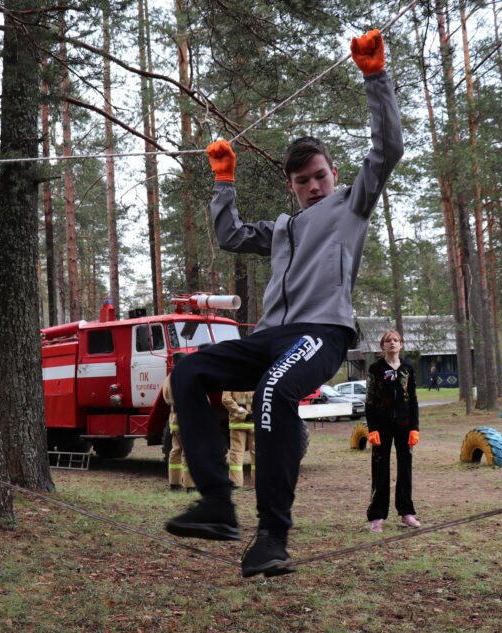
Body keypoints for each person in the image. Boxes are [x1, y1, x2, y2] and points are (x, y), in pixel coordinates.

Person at [165, 29, 403, 578]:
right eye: (303, 181)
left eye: (321, 176)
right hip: (269, 337)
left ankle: (272, 536)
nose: (314, 186)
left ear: (334, 175)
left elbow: (388, 149)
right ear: (291, 186)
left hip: (321, 333)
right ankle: (216, 505)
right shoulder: (281, 229)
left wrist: (375, 76)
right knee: (189, 373)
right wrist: (223, 179)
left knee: (275, 391)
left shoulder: (352, 205)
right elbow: (229, 234)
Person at [365, 329, 420, 533]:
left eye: (396, 340)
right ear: (383, 346)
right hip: (382, 426)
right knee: (380, 469)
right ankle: (377, 516)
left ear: (401, 344)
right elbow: (369, 400)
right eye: (388, 341)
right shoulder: (375, 369)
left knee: (405, 468)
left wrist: (414, 428)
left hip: (404, 425)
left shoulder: (407, 368)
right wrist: (372, 428)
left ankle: (406, 513)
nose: (392, 343)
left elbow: (413, 399)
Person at [162, 374, 195, 492]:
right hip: (188, 418)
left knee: (176, 450)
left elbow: (166, 398)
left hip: (174, 418)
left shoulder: (168, 378)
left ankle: (174, 483)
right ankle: (190, 486)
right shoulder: (188, 376)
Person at [221, 391, 256, 489]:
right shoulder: (257, 382)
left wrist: (243, 414)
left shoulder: (230, 382)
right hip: (255, 423)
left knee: (236, 453)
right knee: (257, 454)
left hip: (237, 424)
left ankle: (236, 483)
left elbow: (226, 399)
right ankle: (259, 482)